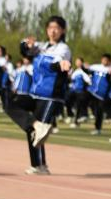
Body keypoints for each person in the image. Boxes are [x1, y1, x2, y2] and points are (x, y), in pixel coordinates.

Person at [8, 18, 72, 175]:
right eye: (50, 27)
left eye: (57, 28)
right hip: (35, 93)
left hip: (51, 95)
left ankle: (39, 166)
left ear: (63, 31)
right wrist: (26, 45)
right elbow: (25, 52)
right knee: (11, 104)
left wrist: (61, 65)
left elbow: (55, 64)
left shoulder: (63, 49)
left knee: (36, 132)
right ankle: (34, 126)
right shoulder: (42, 47)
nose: (53, 31)